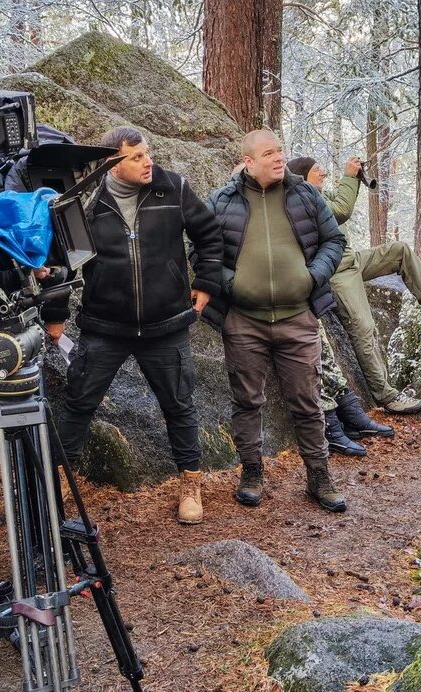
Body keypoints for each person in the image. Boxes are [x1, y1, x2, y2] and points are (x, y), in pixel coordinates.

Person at [52, 127, 223, 524]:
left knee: (179, 406)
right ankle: (61, 483)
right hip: (103, 326)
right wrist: (54, 315)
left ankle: (190, 485)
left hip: (166, 326)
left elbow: (209, 234)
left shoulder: (173, 188)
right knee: (78, 404)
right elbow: (61, 260)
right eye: (137, 157)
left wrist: (206, 282)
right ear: (113, 162)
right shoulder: (86, 201)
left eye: (148, 153)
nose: (148, 163)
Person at [204, 130, 347, 513]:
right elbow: (200, 251)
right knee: (247, 400)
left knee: (308, 401)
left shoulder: (305, 195)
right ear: (249, 161)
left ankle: (319, 477)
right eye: (269, 153)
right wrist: (231, 285)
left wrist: (311, 277)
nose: (279, 158)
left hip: (297, 317)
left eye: (281, 150)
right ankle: (252, 472)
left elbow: (335, 241)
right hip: (244, 321)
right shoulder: (221, 201)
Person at [288, 156, 421, 455]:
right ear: (303, 177)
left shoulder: (320, 193)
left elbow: (340, 201)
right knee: (364, 327)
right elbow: (341, 211)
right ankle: (387, 396)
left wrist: (354, 178)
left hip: (352, 259)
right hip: (337, 272)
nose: (324, 172)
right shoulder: (302, 199)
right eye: (319, 170)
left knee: (398, 251)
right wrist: (349, 175)